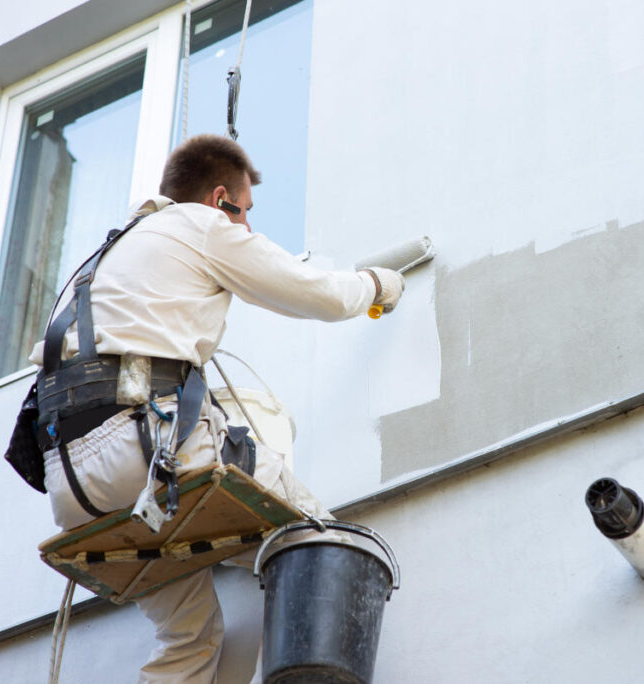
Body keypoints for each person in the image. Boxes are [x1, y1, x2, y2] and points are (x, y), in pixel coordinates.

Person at [29, 134, 405, 682]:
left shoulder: (105, 260)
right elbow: (314, 291)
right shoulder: (200, 226)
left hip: (72, 488)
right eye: (244, 212)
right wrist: (377, 285)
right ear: (219, 197)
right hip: (147, 450)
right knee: (313, 537)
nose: (245, 228)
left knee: (190, 637)